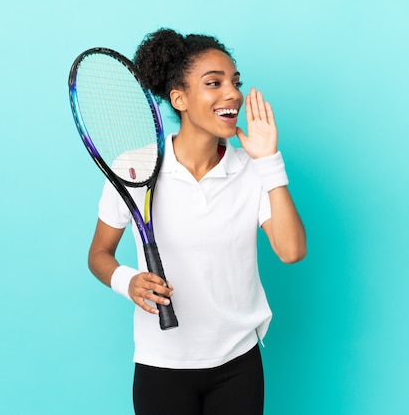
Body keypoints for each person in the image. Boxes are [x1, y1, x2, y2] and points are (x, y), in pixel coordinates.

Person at [87, 27, 306, 415]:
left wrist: (269, 160)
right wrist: (129, 281)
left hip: (238, 362)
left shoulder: (253, 170)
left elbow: (291, 252)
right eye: (213, 83)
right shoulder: (134, 168)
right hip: (162, 364)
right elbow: (100, 254)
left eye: (235, 82)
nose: (233, 94)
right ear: (179, 98)